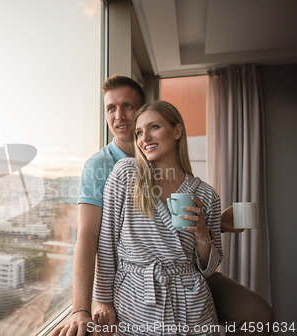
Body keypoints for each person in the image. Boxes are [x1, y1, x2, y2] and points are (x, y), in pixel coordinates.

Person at [51, 75, 274, 336]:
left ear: (175, 129)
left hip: (190, 291)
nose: (120, 116)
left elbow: (201, 258)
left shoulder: (205, 192)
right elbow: (93, 238)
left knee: (260, 314)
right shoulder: (112, 169)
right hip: (137, 294)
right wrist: (91, 304)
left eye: (129, 108)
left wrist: (209, 229)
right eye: (111, 108)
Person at [93, 100, 222, 335]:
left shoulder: (205, 194)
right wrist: (103, 300)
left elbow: (209, 268)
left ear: (177, 131)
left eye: (154, 127)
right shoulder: (126, 174)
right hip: (135, 301)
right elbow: (106, 243)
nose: (144, 138)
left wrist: (203, 233)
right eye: (139, 132)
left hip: (191, 305)